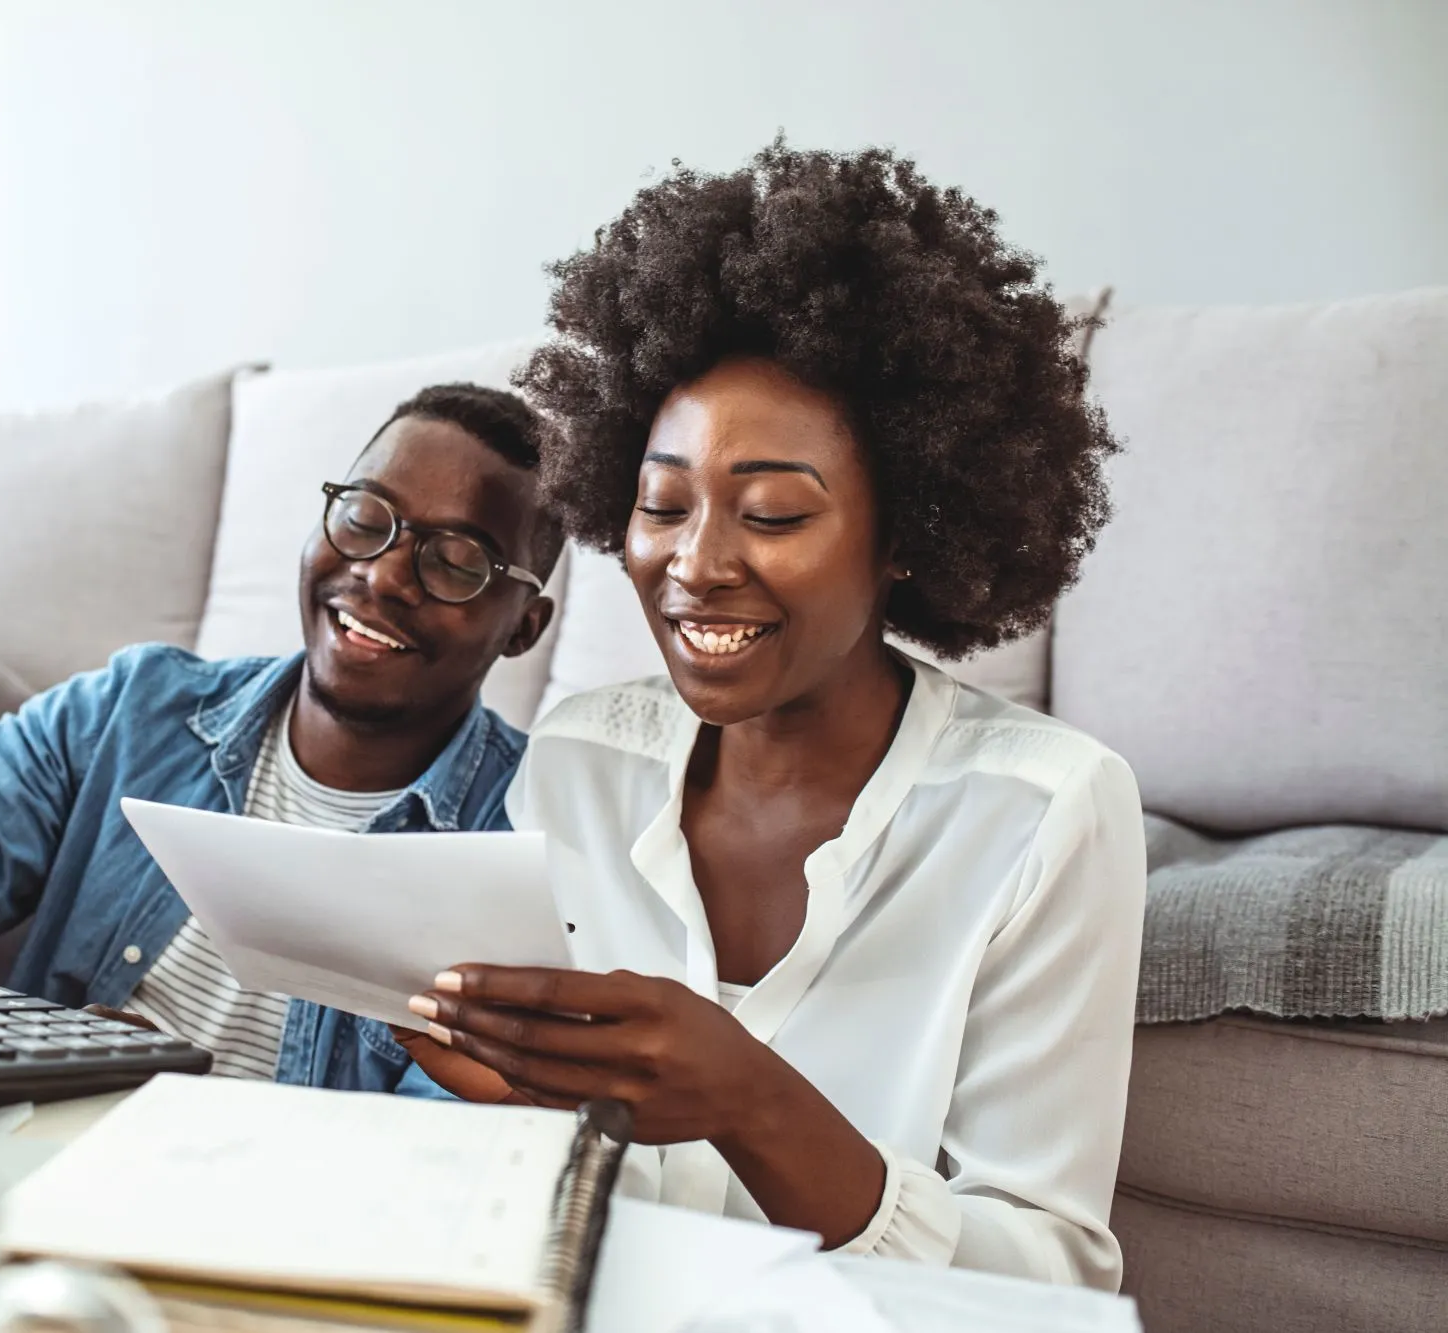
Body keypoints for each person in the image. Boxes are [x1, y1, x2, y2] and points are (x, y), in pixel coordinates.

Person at [398, 136, 1145, 1290]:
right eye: (661, 504)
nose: (693, 565)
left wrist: (751, 1100)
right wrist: (524, 1090)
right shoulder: (579, 757)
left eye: (773, 515)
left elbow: (1044, 1276)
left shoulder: (1044, 810)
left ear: (905, 534)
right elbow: (569, 1176)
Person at [0, 382, 561, 1092]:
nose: (383, 575)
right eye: (363, 517)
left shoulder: (534, 836)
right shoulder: (129, 711)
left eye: (456, 562)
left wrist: (171, 1098)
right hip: (33, 1169)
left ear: (523, 626)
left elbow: (456, 1154)